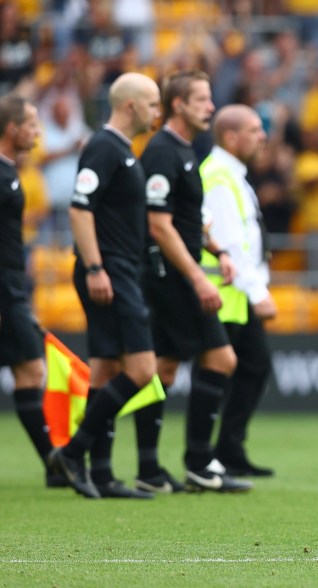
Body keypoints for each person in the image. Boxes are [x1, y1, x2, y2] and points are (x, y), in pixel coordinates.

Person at [47, 73, 162, 499]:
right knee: (142, 370)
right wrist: (96, 268)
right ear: (131, 105)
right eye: (153, 103)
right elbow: (80, 209)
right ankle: (74, 453)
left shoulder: (124, 151)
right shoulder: (103, 146)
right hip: (108, 270)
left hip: (119, 269)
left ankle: (104, 473)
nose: (158, 111)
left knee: (107, 370)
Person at [140, 72, 251, 493]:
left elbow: (189, 219)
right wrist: (199, 279)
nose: (211, 106)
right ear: (178, 105)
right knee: (222, 360)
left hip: (175, 273)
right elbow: (159, 225)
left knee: (163, 369)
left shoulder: (186, 151)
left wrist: (218, 251)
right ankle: (200, 463)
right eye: (202, 99)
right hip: (171, 276)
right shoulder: (164, 152)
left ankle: (149, 469)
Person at [199, 103, 277, 477]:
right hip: (222, 291)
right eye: (255, 130)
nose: (263, 136)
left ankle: (227, 450)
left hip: (234, 293)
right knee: (219, 372)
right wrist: (258, 291)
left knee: (253, 366)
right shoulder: (217, 176)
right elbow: (228, 241)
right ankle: (203, 456)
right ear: (231, 137)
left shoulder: (233, 174)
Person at [0, 93, 65, 488]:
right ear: (12, 129)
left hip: (12, 285)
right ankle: (56, 464)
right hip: (4, 288)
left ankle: (55, 465)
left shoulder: (12, 171)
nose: (38, 133)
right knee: (31, 368)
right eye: (32, 125)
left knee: (30, 368)